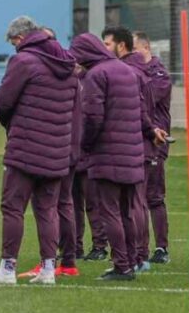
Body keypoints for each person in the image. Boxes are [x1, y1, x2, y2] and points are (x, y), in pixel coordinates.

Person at [0, 17, 76, 285]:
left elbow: (1, 101)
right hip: (58, 147)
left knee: (12, 207)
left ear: (22, 37)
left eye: (14, 41)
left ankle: (8, 268)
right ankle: (49, 268)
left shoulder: (23, 62)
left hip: (25, 146)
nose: (14, 47)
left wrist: (9, 123)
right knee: (47, 209)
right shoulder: (68, 64)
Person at [70, 33, 164, 281]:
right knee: (128, 212)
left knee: (110, 212)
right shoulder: (127, 71)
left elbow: (92, 118)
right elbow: (142, 112)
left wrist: (85, 146)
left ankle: (121, 265)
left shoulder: (95, 75)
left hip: (107, 155)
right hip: (133, 153)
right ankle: (132, 261)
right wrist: (150, 131)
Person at [104, 25, 167, 271]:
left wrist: (151, 131)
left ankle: (144, 252)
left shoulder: (143, 74)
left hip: (147, 141)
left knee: (143, 200)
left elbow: (142, 109)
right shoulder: (138, 72)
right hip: (143, 139)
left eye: (108, 44)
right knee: (136, 200)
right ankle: (137, 254)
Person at [134, 31, 173, 264]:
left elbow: (147, 99)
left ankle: (161, 248)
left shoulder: (159, 75)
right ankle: (140, 248)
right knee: (135, 197)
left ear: (145, 49)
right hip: (137, 141)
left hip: (156, 141)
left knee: (154, 196)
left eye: (134, 49)